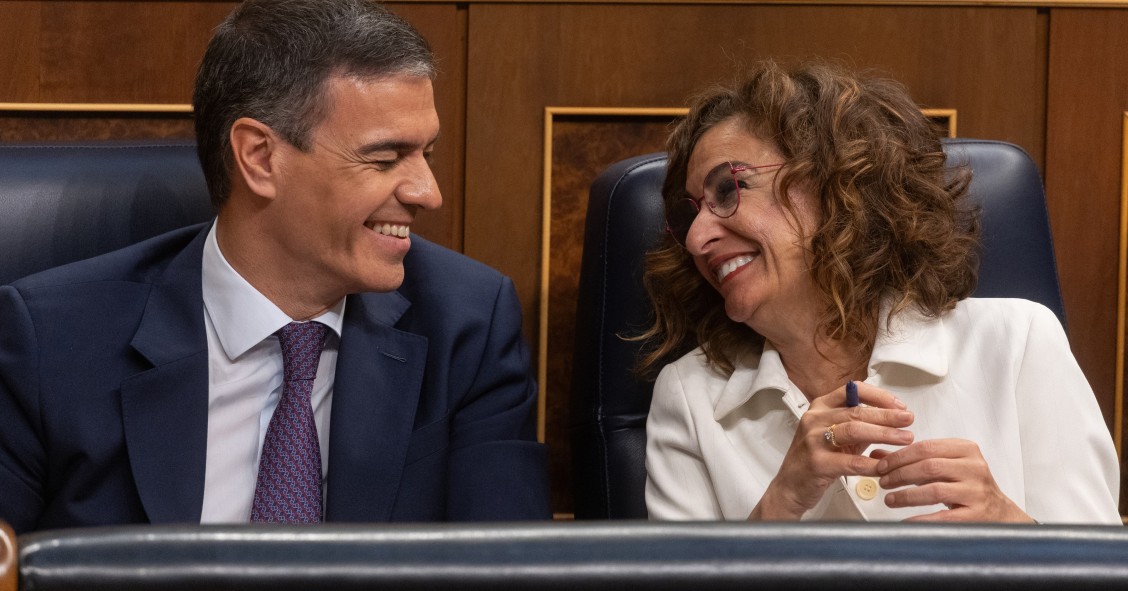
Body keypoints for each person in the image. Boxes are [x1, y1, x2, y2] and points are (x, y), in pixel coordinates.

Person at [0, 0, 549, 534]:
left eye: (425, 155)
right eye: (383, 160)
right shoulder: (51, 339)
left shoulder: (469, 324)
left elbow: (507, 568)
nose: (428, 194)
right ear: (260, 158)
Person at [640, 59, 1120, 523]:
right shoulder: (688, 396)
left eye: (728, 189)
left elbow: (1096, 572)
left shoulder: (1018, 342)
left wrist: (1013, 528)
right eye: (689, 215)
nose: (698, 238)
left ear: (837, 182)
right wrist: (780, 503)